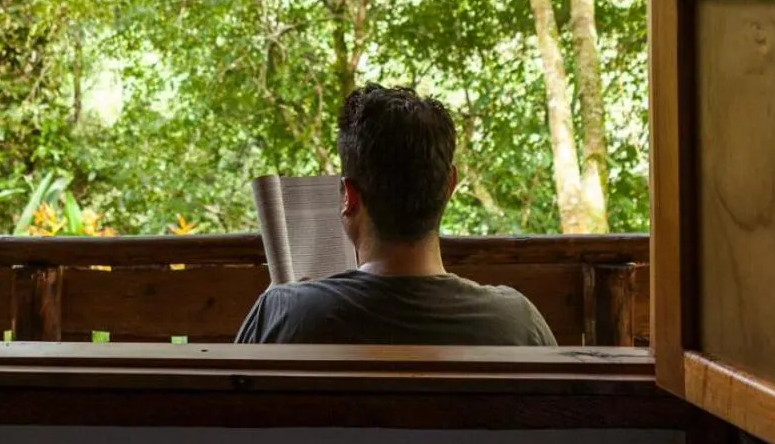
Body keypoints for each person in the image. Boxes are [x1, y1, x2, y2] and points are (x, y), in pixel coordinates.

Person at [235, 83, 557, 346]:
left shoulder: (280, 315)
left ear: (349, 197)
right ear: (449, 187)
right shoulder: (519, 325)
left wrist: (288, 299)